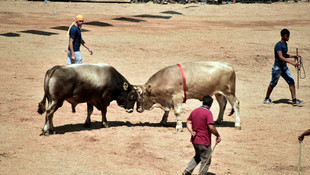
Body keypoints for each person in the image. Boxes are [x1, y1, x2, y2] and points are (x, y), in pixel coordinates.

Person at [183, 96, 221, 175]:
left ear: (203, 102)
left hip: (194, 139)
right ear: (210, 104)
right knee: (206, 161)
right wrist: (217, 135)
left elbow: (188, 122)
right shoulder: (208, 113)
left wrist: (191, 131)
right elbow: (211, 127)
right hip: (204, 141)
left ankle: (187, 171)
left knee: (198, 156)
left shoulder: (195, 111)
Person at [264, 28, 303, 105]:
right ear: (282, 36)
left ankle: (294, 100)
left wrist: (293, 56)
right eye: (286, 36)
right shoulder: (278, 45)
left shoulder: (285, 44)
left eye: (288, 36)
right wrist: (292, 63)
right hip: (277, 68)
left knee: (291, 81)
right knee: (273, 83)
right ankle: (266, 98)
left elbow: (285, 55)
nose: (288, 38)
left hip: (284, 67)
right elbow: (281, 57)